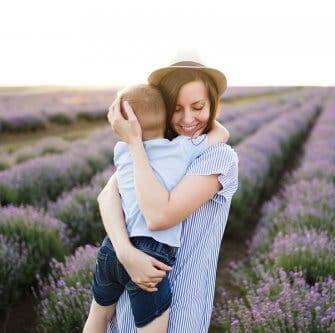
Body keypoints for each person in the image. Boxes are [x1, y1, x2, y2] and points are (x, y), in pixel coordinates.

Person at [95, 60, 239, 332]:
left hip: (182, 308)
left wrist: (135, 144)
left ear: (213, 106)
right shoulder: (162, 151)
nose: (187, 119)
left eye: (198, 107)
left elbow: (158, 216)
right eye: (176, 109)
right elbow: (106, 197)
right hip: (131, 290)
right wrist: (126, 255)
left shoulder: (219, 156)